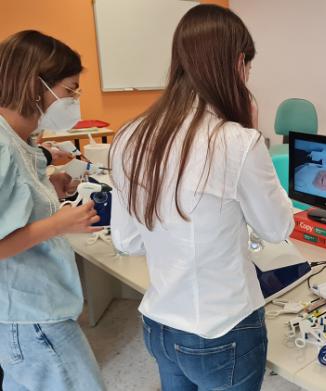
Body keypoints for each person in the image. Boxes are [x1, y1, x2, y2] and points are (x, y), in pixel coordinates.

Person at [110, 5, 294, 390]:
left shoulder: (130, 136)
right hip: (223, 329)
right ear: (238, 63)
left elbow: (125, 241)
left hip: (160, 324)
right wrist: (251, 132)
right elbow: (277, 229)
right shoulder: (235, 141)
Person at [0, 30, 105, 390]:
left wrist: (52, 189)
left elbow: (16, 205)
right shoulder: (3, 144)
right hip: (31, 317)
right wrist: (58, 224)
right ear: (36, 84)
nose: (74, 100)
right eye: (70, 90)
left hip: (28, 312)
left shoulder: (20, 139)